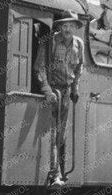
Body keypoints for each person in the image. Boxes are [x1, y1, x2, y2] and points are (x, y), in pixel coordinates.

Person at [36, 15, 85, 183]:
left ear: (76, 27)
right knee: (53, 133)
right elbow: (40, 67)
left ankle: (56, 172)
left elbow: (79, 68)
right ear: (60, 27)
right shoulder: (50, 43)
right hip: (52, 92)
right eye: (65, 26)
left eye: (71, 26)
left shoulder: (79, 44)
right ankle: (54, 174)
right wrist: (47, 90)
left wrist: (75, 88)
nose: (68, 29)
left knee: (60, 136)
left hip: (66, 93)